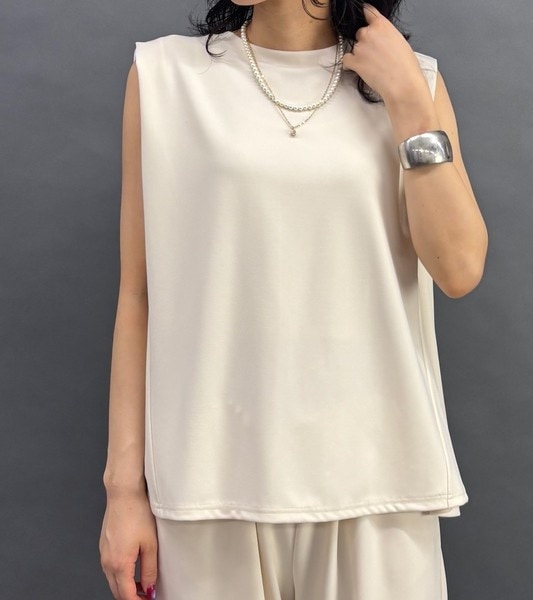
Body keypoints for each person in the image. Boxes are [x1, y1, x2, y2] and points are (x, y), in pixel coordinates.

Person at [98, 0, 488, 597]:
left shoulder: (413, 82)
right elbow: (138, 295)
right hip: (211, 487)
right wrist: (123, 492)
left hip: (379, 485)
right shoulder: (165, 77)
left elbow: (459, 269)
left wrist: (410, 103)